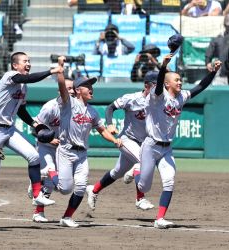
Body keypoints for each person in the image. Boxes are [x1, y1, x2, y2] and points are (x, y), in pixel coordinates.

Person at [136, 54, 221, 229]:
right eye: (176, 80)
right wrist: (163, 66)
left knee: (169, 181)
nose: (180, 82)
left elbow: (200, 87)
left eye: (180, 79)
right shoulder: (157, 96)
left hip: (167, 149)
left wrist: (212, 73)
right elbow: (159, 84)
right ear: (168, 84)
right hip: (150, 146)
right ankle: (135, 171)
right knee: (145, 185)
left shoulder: (181, 97)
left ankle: (159, 219)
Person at [0, 52, 62, 210]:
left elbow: (21, 110)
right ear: (15, 65)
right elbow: (27, 78)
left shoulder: (23, 86)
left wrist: (35, 124)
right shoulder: (10, 76)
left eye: (29, 61)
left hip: (9, 130)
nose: (28, 64)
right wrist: (50, 71)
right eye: (25, 61)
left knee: (34, 156)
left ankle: (37, 195)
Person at [54, 58, 122, 228]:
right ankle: (48, 177)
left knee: (81, 186)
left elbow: (102, 130)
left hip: (82, 154)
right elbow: (62, 88)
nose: (91, 89)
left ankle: (67, 217)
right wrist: (60, 71)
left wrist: (114, 140)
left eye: (92, 86)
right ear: (78, 90)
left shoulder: (92, 111)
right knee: (65, 188)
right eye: (87, 86)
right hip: (65, 151)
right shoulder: (68, 104)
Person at [85, 71, 158, 215]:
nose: (158, 88)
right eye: (155, 85)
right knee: (142, 162)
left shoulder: (159, 100)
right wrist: (110, 124)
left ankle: (93, 190)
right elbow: (110, 107)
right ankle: (140, 199)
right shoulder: (132, 98)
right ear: (147, 86)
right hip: (127, 139)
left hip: (143, 143)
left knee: (117, 172)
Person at [30, 78, 75, 223]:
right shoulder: (50, 107)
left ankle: (37, 179)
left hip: (62, 149)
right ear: (59, 91)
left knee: (55, 180)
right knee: (50, 174)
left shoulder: (75, 107)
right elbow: (34, 129)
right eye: (68, 88)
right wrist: (48, 139)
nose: (71, 91)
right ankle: (38, 213)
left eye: (73, 88)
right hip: (45, 146)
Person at [205, 14, 229, 85]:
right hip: (223, 76)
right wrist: (208, 62)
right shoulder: (218, 39)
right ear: (225, 26)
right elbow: (209, 54)